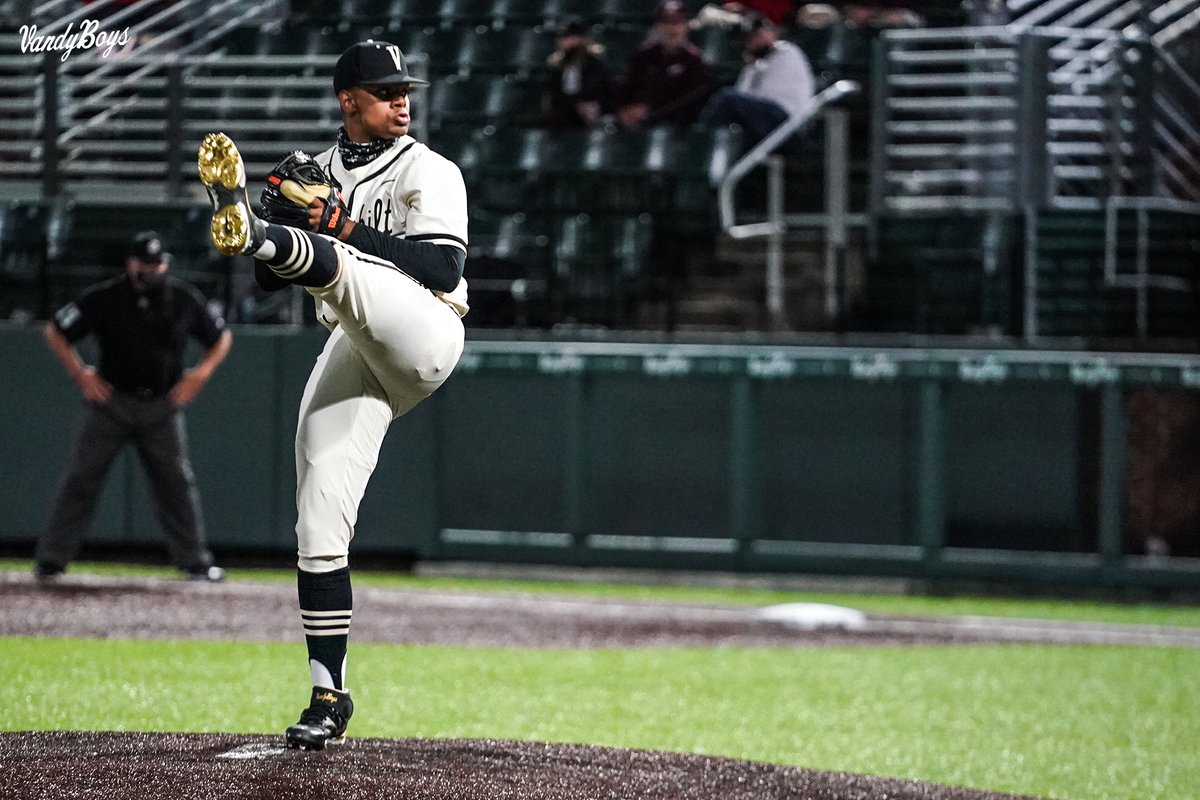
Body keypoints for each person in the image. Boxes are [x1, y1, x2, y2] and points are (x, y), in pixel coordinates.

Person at [197, 38, 468, 751]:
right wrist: (277, 217)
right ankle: (328, 694)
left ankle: (253, 231)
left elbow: (442, 267)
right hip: (352, 341)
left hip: (425, 332)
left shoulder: (431, 169)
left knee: (340, 262)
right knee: (318, 516)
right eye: (385, 90)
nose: (402, 99)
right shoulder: (314, 171)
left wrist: (320, 225)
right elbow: (264, 283)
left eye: (405, 87)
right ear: (349, 101)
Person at [35, 231, 232, 583]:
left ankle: (195, 562)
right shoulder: (106, 297)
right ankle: (52, 559)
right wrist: (81, 374)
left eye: (157, 264)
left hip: (161, 404)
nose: (151, 271)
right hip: (112, 403)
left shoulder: (182, 298)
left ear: (165, 264)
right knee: (81, 478)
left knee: (176, 484)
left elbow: (220, 338)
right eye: (145, 264)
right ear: (131, 264)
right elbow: (56, 331)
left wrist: (198, 376)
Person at [699, 12, 815, 145]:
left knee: (728, 98)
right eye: (751, 38)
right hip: (765, 121)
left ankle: (701, 145)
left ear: (771, 32)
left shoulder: (788, 52)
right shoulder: (753, 67)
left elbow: (755, 96)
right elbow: (743, 93)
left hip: (788, 121)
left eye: (760, 34)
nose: (756, 40)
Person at [615, 0, 714, 129]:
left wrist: (649, 110)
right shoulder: (643, 54)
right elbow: (626, 86)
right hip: (631, 121)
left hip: (671, 125)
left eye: (676, 23)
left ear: (686, 26)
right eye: (666, 23)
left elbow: (688, 103)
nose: (671, 29)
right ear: (658, 26)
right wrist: (624, 110)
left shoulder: (693, 59)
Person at [541, 16, 615, 132]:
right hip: (565, 114)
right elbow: (553, 93)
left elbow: (606, 91)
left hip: (592, 114)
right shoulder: (557, 65)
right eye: (564, 37)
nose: (565, 41)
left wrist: (594, 107)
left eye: (570, 37)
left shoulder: (595, 62)